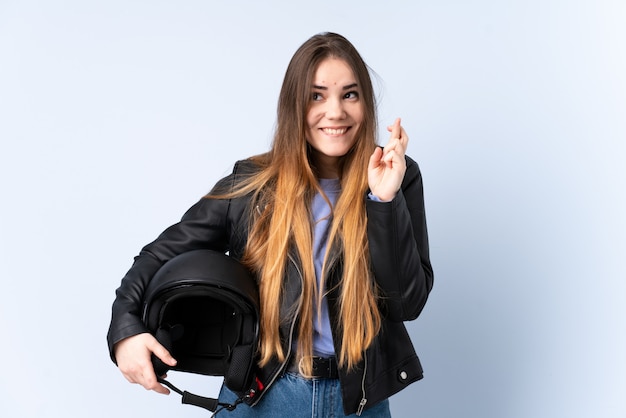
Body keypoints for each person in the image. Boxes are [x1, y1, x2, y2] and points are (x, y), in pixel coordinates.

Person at [107, 32, 433, 417]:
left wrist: (383, 201)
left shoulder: (397, 177)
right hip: (264, 394)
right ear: (294, 104)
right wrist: (125, 329)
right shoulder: (252, 184)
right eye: (317, 95)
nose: (335, 112)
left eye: (350, 94)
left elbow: (405, 303)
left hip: (358, 400)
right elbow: (158, 256)